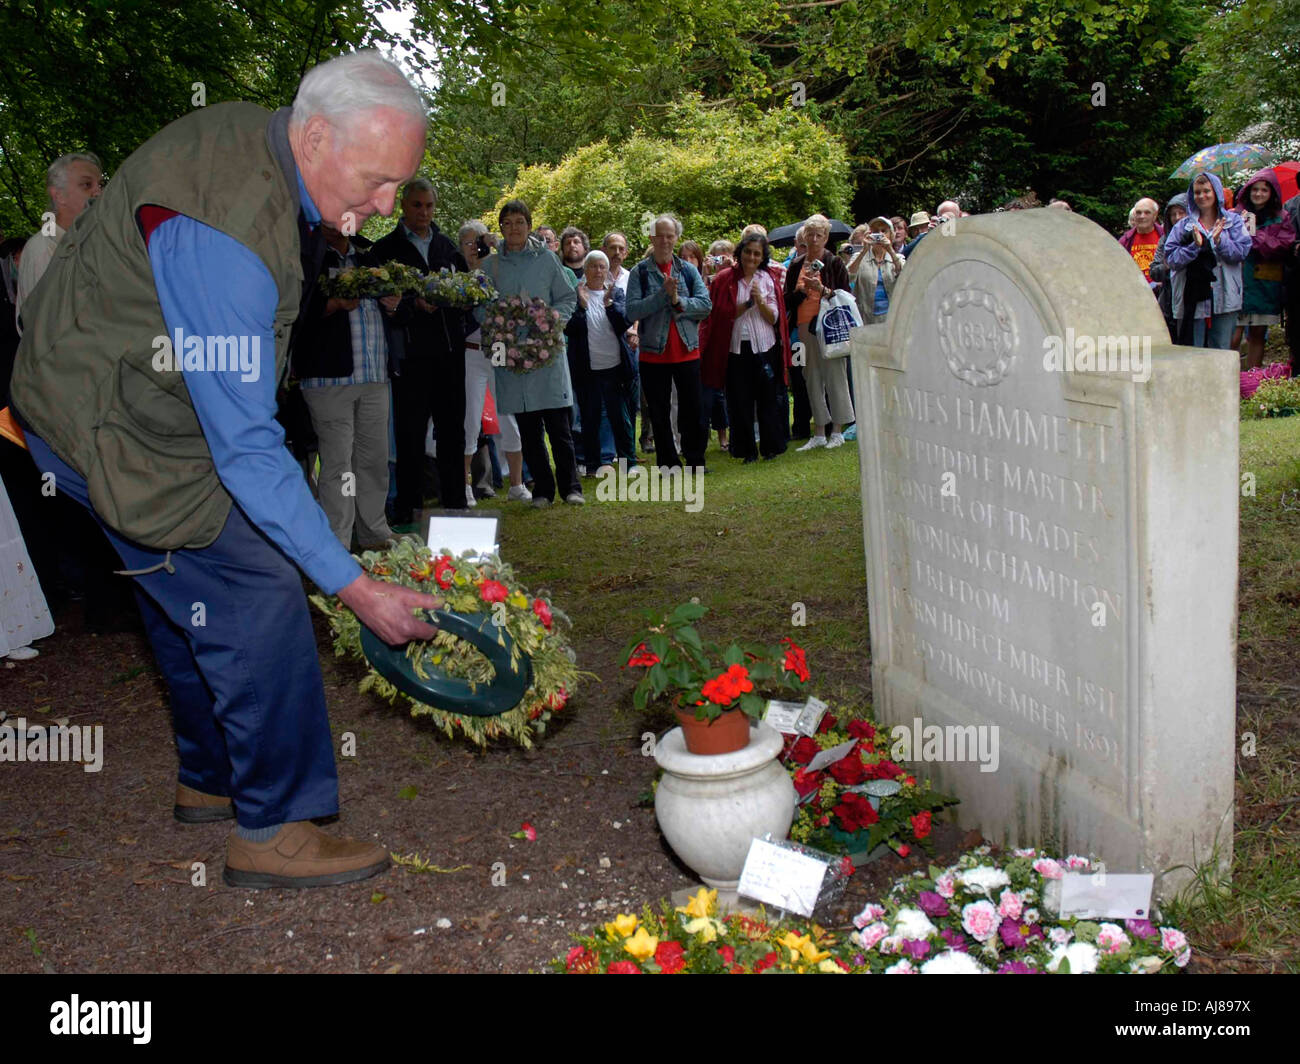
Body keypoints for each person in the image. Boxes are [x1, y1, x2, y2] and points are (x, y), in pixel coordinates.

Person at [9, 49, 440, 887]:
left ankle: (211, 778)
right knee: (259, 583)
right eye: (377, 180)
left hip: (120, 402)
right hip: (104, 422)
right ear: (315, 136)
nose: (385, 206)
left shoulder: (261, 144)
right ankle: (273, 826)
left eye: (401, 186)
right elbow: (246, 446)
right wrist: (353, 585)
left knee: (186, 584)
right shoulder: (228, 230)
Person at [294, 221, 399, 549]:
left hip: (374, 375)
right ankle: (337, 543)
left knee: (373, 461)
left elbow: (397, 310)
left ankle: (375, 532)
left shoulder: (370, 257)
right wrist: (332, 305)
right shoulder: (304, 255)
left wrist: (395, 304)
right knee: (338, 465)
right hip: (328, 377)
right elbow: (289, 309)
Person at [372, 177, 468, 520]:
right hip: (410, 356)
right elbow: (381, 306)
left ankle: (455, 504)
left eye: (429, 205)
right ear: (403, 206)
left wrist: (457, 300)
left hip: (450, 354)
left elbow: (467, 298)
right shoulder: (384, 250)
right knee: (410, 434)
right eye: (417, 205)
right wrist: (414, 306)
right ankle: (408, 508)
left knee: (453, 432)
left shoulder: (448, 248)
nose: (423, 212)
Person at [477, 199, 583, 507]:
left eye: (519, 222)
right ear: (500, 228)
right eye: (507, 223)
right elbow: (480, 306)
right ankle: (542, 490)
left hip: (547, 352)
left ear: (529, 225)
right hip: (513, 357)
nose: (513, 229)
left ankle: (571, 486)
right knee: (528, 426)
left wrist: (552, 324)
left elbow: (567, 297)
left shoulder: (548, 260)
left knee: (558, 426)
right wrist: (498, 328)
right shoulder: (490, 266)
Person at [625, 214, 712, 471]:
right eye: (659, 235)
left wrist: (678, 301)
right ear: (651, 237)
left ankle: (696, 461)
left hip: (687, 351)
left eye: (669, 235)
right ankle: (668, 464)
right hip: (653, 354)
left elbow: (705, 305)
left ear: (676, 238)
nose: (664, 240)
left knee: (693, 410)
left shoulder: (687, 270)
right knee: (659, 413)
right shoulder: (639, 272)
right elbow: (631, 311)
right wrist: (663, 295)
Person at [458, 220, 530, 501]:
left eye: (478, 241)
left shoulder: (499, 266)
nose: (474, 248)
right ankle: (464, 486)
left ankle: (517, 484)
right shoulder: (457, 274)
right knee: (471, 419)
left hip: (499, 350)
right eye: (469, 243)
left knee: (508, 415)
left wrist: (495, 248)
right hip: (471, 350)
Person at [700, 232, 786, 463]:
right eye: (748, 252)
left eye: (757, 253)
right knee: (740, 402)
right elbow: (721, 314)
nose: (751, 257)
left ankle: (770, 448)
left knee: (767, 399)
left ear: (762, 256)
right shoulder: (726, 278)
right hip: (736, 349)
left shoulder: (768, 279)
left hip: (765, 347)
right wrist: (748, 303)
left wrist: (759, 300)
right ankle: (747, 451)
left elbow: (774, 319)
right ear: (740, 253)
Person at [784, 214, 853, 450]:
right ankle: (819, 431)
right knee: (810, 376)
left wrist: (823, 289)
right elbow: (787, 300)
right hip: (804, 327)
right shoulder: (795, 265)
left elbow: (845, 296)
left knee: (835, 374)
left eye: (819, 235)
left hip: (830, 326)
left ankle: (837, 430)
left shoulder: (834, 262)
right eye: (810, 235)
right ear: (804, 237)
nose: (814, 239)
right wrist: (803, 290)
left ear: (825, 237)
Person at [14, 152, 104, 332]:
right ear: (59, 195)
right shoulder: (42, 248)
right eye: (87, 185)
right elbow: (42, 329)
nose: (98, 192)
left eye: (100, 185)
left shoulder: (94, 241)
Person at [567, 249, 636, 476]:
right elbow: (571, 329)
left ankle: (629, 463)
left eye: (602, 267)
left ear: (607, 271)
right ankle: (593, 465)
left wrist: (608, 305)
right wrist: (583, 306)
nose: (598, 271)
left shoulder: (615, 295)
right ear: (585, 270)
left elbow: (623, 324)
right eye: (593, 266)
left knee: (621, 419)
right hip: (588, 370)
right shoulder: (576, 296)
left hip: (615, 368)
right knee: (590, 419)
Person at [1165, 171, 1252, 349]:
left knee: (1221, 348)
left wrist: (1220, 241)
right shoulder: (1183, 225)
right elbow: (1171, 259)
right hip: (1191, 296)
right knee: (1193, 350)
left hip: (1225, 293)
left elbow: (1242, 252)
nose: (1202, 196)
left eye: (1207, 191)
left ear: (1216, 192)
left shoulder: (1233, 221)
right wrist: (1194, 247)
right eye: (1197, 192)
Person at [1231, 168, 1295, 368]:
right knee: (1233, 334)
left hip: (1265, 282)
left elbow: (1282, 245)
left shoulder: (1281, 216)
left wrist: (1254, 235)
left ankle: (1252, 379)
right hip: (1238, 280)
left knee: (1258, 334)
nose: (1258, 194)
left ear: (1271, 193)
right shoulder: (1236, 214)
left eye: (1264, 190)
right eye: (1255, 190)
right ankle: (1230, 377)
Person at [847, 216, 903, 326]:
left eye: (883, 231)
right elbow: (848, 277)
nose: (879, 234)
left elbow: (904, 276)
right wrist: (864, 251)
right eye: (876, 231)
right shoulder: (858, 257)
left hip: (890, 318)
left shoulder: (897, 258)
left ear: (890, 235)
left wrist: (890, 250)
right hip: (864, 317)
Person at [1148, 195, 1188, 340]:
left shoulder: (1197, 237)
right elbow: (1154, 271)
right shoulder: (1165, 239)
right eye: (1173, 214)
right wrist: (1169, 265)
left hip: (1191, 299)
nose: (1177, 218)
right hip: (1168, 300)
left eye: (1181, 213)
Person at [1118, 197, 1163, 282]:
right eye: (1138, 212)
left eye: (1147, 212)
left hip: (1161, 293)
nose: (1142, 216)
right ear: (1134, 215)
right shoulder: (1125, 241)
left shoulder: (1166, 237)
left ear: (1155, 215)